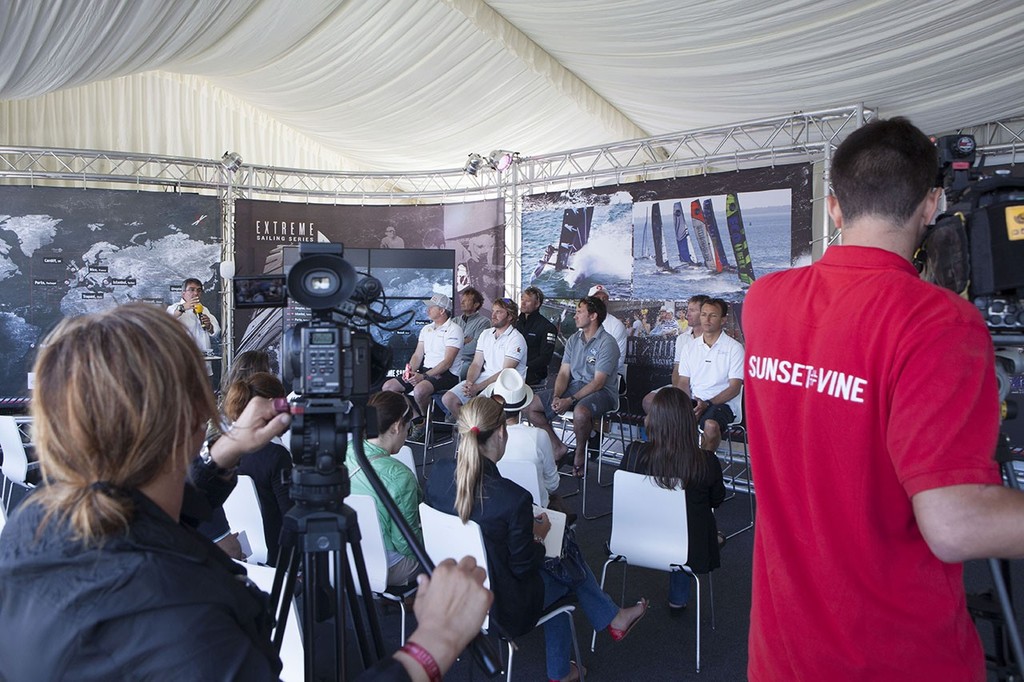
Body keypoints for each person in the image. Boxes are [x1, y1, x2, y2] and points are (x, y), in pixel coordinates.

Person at [0, 302, 493, 682]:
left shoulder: (33, 524)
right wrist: (434, 643)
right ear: (192, 419)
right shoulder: (184, 613)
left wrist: (221, 456)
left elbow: (134, 513)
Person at [742, 117, 1023, 681]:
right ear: (932, 204)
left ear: (834, 207)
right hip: (896, 659)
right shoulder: (939, 322)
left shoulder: (763, 301)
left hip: (781, 656)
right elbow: (956, 524)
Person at [424, 396, 648, 682]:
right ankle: (564, 668)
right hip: (503, 607)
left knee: (562, 553)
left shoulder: (439, 474)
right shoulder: (513, 499)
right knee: (565, 569)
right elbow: (523, 568)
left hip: (454, 591)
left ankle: (607, 621)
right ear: (502, 433)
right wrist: (538, 537)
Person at [618, 387, 725, 611]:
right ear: (688, 421)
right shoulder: (705, 461)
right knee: (694, 525)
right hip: (687, 549)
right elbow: (717, 500)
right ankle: (678, 598)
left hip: (634, 539)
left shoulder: (634, 453)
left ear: (653, 419)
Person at [526, 296, 619, 476]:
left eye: (579, 312)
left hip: (603, 392)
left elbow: (599, 382)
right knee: (532, 407)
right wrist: (557, 396)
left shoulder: (607, 342)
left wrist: (569, 400)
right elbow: (563, 373)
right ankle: (558, 447)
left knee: (581, 412)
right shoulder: (573, 340)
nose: (574, 316)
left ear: (593, 316)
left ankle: (579, 452)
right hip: (575, 387)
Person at [346, 391, 424, 586]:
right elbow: (405, 542)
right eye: (409, 425)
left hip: (345, 555)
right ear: (397, 426)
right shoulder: (400, 476)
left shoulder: (345, 451)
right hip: (386, 566)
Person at [222, 372, 293, 566]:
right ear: (271, 405)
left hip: (242, 549)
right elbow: (292, 516)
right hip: (280, 556)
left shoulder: (223, 448)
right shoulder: (276, 455)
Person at [381, 293, 462, 429]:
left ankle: (425, 422)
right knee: (388, 387)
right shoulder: (426, 328)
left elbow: (447, 362)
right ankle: (417, 420)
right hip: (425, 372)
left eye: (431, 307)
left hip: (448, 374)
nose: (427, 309)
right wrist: (410, 372)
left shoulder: (454, 330)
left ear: (442, 311)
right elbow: (418, 355)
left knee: (419, 390)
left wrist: (423, 376)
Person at [482, 368, 559, 508]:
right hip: (534, 509)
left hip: (491, 507)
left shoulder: (481, 435)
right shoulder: (539, 436)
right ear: (523, 407)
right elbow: (553, 484)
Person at [442, 297, 527, 422]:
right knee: (448, 399)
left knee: (477, 407)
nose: (493, 315)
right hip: (485, 379)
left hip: (506, 385)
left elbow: (505, 372)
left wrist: (477, 388)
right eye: (493, 311)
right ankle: (471, 430)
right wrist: (470, 383)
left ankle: (478, 433)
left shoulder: (516, 338)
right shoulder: (486, 333)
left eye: (499, 312)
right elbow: (476, 363)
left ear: (510, 317)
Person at [676, 298, 743, 453]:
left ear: (723, 320)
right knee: (658, 419)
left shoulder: (734, 348)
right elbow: (683, 382)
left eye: (712, 315)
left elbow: (734, 388)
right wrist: (685, 404)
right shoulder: (689, 347)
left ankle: (704, 468)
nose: (707, 319)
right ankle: (672, 468)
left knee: (711, 426)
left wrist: (707, 403)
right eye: (704, 314)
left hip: (722, 404)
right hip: (694, 401)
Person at [642, 294, 708, 413]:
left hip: (704, 391)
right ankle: (669, 430)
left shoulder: (713, 339)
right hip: (682, 388)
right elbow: (677, 370)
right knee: (649, 401)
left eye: (692, 310)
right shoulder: (682, 338)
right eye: (687, 310)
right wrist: (678, 395)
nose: (687, 314)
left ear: (704, 313)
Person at [167, 277, 221, 375]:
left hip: (203, 366)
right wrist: (183, 308)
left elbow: (216, 332)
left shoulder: (205, 310)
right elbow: (167, 322)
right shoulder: (174, 308)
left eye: (199, 290)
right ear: (183, 293)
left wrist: (209, 326)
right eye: (192, 290)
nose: (196, 293)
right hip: (183, 365)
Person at [516, 285, 557, 389]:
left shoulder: (548, 327)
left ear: (537, 304)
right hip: (512, 370)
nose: (523, 303)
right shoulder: (514, 323)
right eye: (522, 299)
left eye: (528, 301)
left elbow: (545, 358)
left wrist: (523, 368)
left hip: (533, 376)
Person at [586, 284, 627, 383]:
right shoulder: (584, 322)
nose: (601, 301)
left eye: (604, 298)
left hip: (611, 377)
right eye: (597, 298)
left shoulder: (616, 325)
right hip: (585, 376)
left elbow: (618, 361)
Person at [452, 286, 491, 380]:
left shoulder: (484, 322)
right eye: (462, 300)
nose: (462, 302)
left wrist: (455, 344)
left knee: (463, 370)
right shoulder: (454, 321)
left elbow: (475, 347)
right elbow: (445, 343)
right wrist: (464, 341)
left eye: (466, 300)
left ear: (476, 304)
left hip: (470, 361)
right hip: (452, 359)